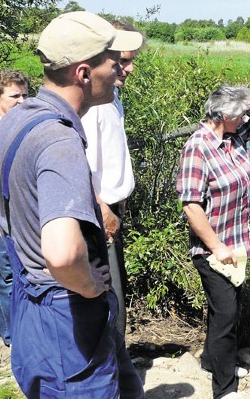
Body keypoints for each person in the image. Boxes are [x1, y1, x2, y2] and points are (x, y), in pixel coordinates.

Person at [0, 11, 144, 398]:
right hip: (66, 313)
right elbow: (61, 254)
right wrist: (90, 286)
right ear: (83, 73)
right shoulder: (60, 142)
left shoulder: (16, 120)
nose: (120, 70)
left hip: (33, 302)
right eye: (113, 61)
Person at [177, 85, 250, 399]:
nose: (246, 117)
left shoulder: (234, 137)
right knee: (226, 314)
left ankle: (212, 361)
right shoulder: (198, 147)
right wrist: (216, 245)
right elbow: (191, 205)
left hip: (238, 242)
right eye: (241, 113)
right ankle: (224, 388)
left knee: (226, 311)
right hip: (212, 248)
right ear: (226, 116)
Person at [82, 20, 142, 337]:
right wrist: (103, 209)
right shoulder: (92, 105)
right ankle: (111, 372)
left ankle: (116, 366)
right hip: (98, 211)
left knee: (116, 290)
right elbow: (82, 165)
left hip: (111, 207)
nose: (129, 69)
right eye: (124, 61)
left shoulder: (111, 99)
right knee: (108, 294)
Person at [0, 69, 29, 346]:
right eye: (15, 96)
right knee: (5, 271)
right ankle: (12, 337)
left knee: (31, 270)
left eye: (26, 94)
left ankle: (31, 331)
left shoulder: (27, 121)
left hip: (24, 208)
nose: (23, 101)